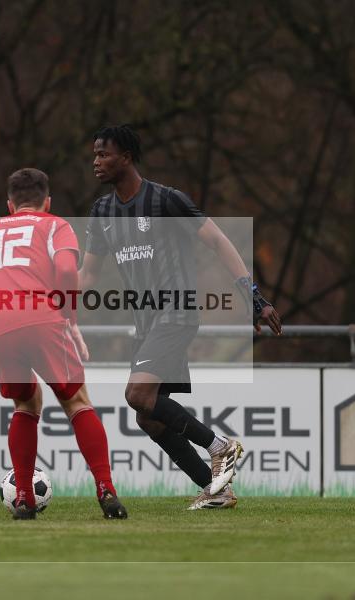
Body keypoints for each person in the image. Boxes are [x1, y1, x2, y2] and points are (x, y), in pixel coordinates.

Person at [80, 125, 282, 510]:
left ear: (126, 157)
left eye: (103, 154)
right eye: (94, 155)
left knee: (136, 395)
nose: (96, 162)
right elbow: (87, 276)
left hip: (176, 312)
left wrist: (253, 296)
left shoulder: (166, 200)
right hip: (147, 324)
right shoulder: (102, 212)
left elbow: (219, 241)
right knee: (148, 416)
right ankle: (216, 490)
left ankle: (219, 446)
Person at [0, 167, 127, 520]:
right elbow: (67, 271)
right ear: (47, 202)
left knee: (26, 403)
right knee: (76, 402)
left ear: (10, 205)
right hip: (40, 317)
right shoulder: (55, 225)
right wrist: (69, 318)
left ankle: (24, 498)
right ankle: (106, 490)